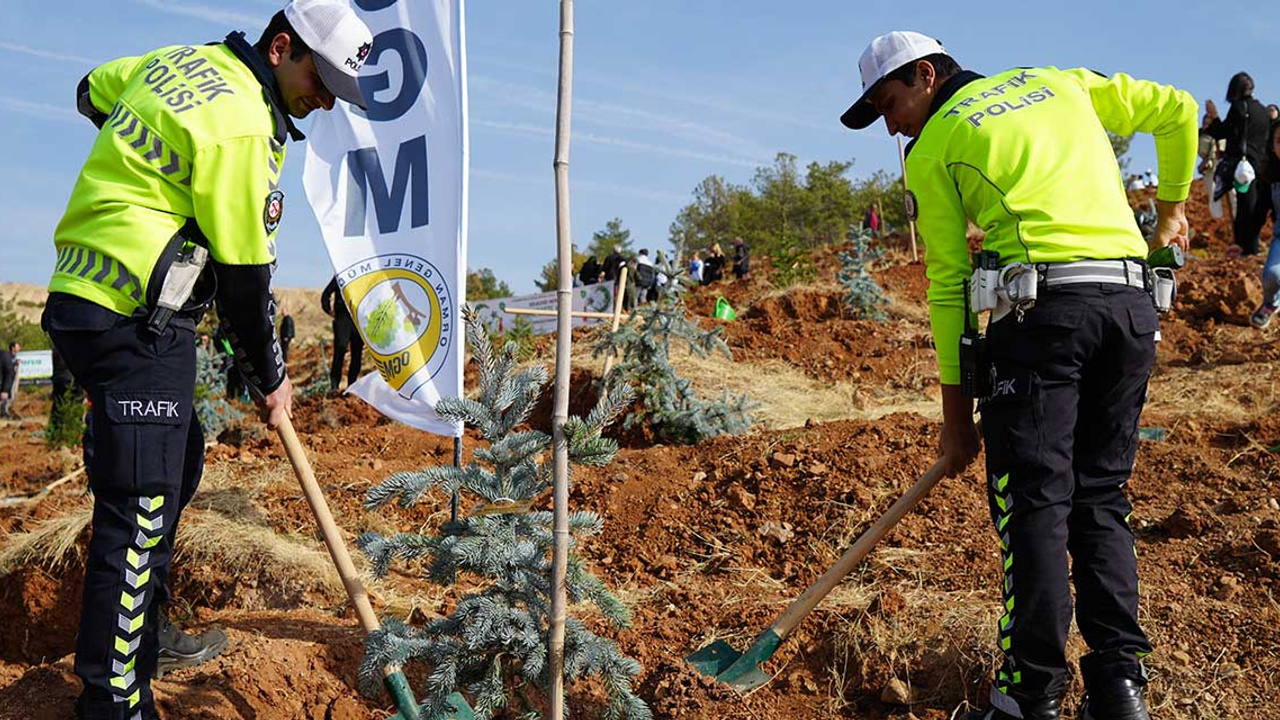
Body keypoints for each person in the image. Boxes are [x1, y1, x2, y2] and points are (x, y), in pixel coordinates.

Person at [841, 31, 1195, 720]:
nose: (891, 124)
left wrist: (953, 422)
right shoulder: (1058, 80)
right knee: (1100, 498)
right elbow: (1179, 109)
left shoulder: (935, 144)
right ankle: (1120, 691)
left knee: (1034, 505)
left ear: (924, 75)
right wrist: (1174, 210)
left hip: (1041, 318)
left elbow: (947, 285)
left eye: (889, 103)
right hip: (1130, 311)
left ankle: (1029, 696)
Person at [40, 2, 374, 718]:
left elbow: (92, 90)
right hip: (137, 317)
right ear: (281, 47)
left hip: (83, 296)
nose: (322, 103)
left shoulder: (177, 64)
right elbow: (248, 280)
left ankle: (148, 635)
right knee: (142, 504)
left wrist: (148, 174)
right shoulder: (245, 126)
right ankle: (114, 700)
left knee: (176, 458)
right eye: (319, 81)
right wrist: (272, 379)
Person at [1203, 72, 1272, 257]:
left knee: (1244, 208)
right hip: (1260, 165)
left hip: (1242, 168)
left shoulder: (1239, 108)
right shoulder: (1263, 110)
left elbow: (1222, 132)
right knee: (1255, 207)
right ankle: (1250, 247)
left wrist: (1213, 116)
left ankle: (1245, 248)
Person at [1250, 120, 1280, 327]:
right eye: (1279, 141)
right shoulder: (1270, 177)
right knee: (1271, 275)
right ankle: (1271, 303)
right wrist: (1243, 242)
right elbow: (1258, 212)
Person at [322, 275, 364, 391]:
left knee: (357, 354)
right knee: (339, 351)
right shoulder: (341, 274)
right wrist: (330, 311)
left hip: (358, 319)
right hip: (343, 318)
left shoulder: (364, 274)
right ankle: (334, 386)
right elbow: (326, 294)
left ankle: (352, 386)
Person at [0, 341, 19, 418]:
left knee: (7, 398)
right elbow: (8, 372)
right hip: (5, 383)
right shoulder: (6, 356)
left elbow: (9, 371)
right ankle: (4, 412)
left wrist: (5, 389)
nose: (19, 348)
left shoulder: (6, 356)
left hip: (5, 383)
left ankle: (4, 412)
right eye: (17, 346)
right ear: (13, 348)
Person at [278, 299, 296, 363]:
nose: (282, 312)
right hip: (285, 337)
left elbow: (289, 328)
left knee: (285, 349)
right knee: (283, 349)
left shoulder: (287, 319)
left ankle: (285, 361)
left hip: (286, 337)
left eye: (283, 311)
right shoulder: (286, 319)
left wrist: (287, 336)